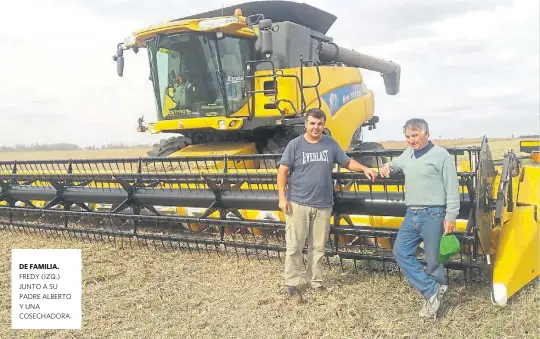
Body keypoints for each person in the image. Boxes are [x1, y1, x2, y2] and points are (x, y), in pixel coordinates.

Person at [277, 108, 377, 303]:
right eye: (312, 123)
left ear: (324, 125)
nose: (316, 127)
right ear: (306, 124)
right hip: (298, 203)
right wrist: (282, 198)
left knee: (318, 246)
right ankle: (292, 283)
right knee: (295, 245)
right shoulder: (295, 145)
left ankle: (315, 281)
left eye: (320, 124)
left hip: (323, 204)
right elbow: (282, 172)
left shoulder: (330, 144)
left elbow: (347, 162)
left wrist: (364, 168)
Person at [379, 118, 460, 318]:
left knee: (434, 261)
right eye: (407, 137)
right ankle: (432, 290)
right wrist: (387, 167)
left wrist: (450, 216)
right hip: (411, 213)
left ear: (427, 133)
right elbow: (396, 164)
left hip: (433, 214)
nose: (411, 140)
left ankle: (433, 302)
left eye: (415, 136)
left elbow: (452, 189)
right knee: (400, 252)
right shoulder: (408, 154)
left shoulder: (442, 156)